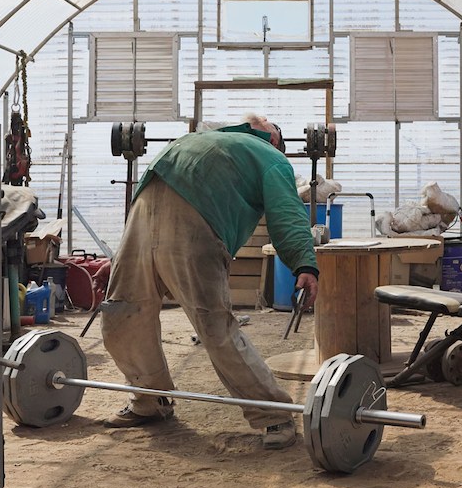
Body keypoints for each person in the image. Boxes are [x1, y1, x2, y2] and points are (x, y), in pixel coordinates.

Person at [100, 114, 319, 450]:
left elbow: (286, 211)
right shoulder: (202, 139)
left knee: (214, 325)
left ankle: (273, 413)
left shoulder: (271, 157)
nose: (262, 121)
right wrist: (123, 250)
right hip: (143, 212)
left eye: (271, 124)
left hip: (197, 218)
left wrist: (303, 261)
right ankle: (150, 400)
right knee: (121, 314)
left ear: (275, 139)